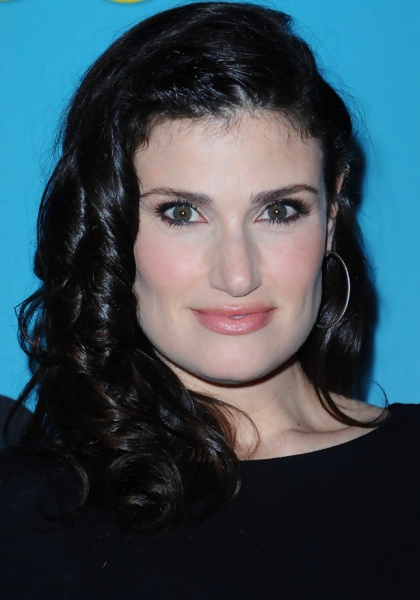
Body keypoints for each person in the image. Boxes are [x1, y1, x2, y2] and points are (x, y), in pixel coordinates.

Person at [1, 2, 419, 598]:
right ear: (110, 227)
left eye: (279, 210)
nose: (238, 275)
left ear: (331, 214)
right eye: (181, 213)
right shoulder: (29, 516)